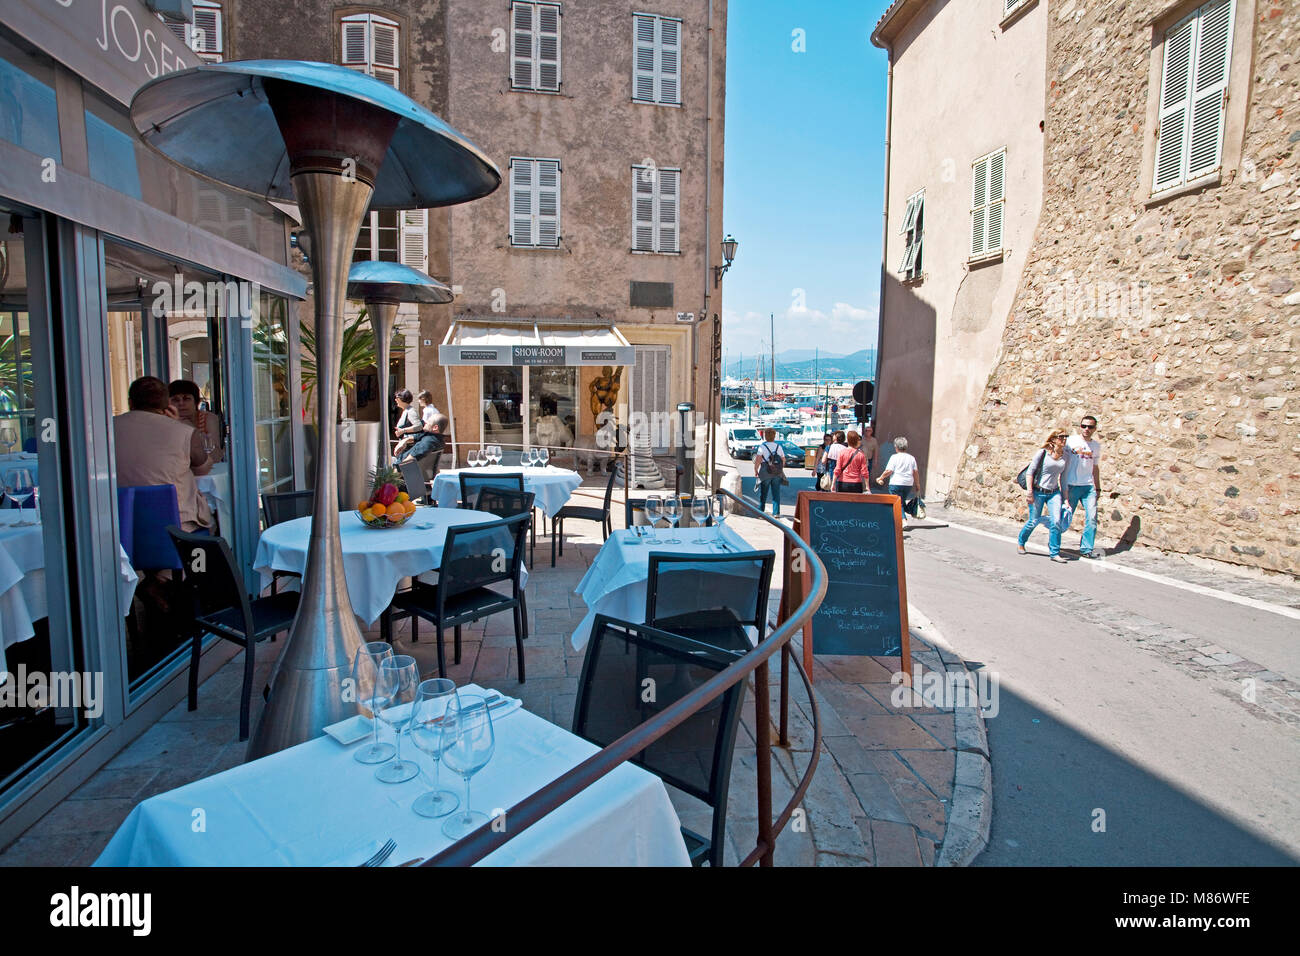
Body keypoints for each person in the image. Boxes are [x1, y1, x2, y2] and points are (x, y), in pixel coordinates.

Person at [115, 376, 211, 532]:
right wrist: (177, 423)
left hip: (121, 523)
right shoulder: (184, 432)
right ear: (167, 404)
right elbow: (202, 469)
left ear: (130, 402)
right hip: (177, 524)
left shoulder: (107, 429)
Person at [1018, 430, 1069, 562]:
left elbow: (1064, 479)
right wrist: (1029, 491)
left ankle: (1054, 552)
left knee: (1056, 521)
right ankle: (1021, 542)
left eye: (1066, 437)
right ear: (1053, 439)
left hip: (1054, 493)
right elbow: (1030, 472)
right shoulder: (1042, 453)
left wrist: (1066, 499)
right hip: (1038, 491)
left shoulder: (1065, 456)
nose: (1064, 439)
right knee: (1033, 521)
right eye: (1061, 437)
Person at [1063, 414, 1104, 559]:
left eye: (1090, 427)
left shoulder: (1096, 446)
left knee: (1092, 517)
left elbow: (1095, 468)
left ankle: (1086, 549)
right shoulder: (1070, 441)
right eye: (1084, 426)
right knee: (1065, 519)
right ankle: (1054, 541)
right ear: (1080, 426)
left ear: (1095, 429)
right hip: (1071, 485)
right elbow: (1060, 458)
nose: (1086, 429)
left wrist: (1097, 487)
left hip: (1088, 487)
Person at [167, 379, 223, 475]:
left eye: (186, 399)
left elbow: (216, 456)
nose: (181, 403)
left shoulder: (208, 418)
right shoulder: (164, 421)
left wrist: (189, 427)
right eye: (175, 400)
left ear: (196, 402)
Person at [875, 435, 919, 518]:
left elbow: (889, 471)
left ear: (896, 447)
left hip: (896, 483)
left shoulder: (894, 457)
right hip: (908, 483)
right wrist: (917, 484)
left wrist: (881, 478)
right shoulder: (911, 458)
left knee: (898, 502)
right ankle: (906, 511)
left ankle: (903, 519)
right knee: (902, 501)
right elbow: (915, 472)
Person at [753, 427, 786, 517]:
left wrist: (756, 469)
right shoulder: (778, 447)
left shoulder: (762, 447)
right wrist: (779, 468)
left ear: (765, 436)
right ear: (774, 436)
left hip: (765, 471)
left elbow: (758, 460)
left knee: (764, 492)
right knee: (776, 493)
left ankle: (761, 511)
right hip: (776, 472)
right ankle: (776, 512)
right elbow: (783, 459)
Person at [391, 389, 420, 460]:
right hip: (405, 447)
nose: (395, 400)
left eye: (397, 398)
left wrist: (403, 430)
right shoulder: (406, 411)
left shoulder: (411, 411)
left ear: (401, 398)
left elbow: (418, 426)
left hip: (409, 448)